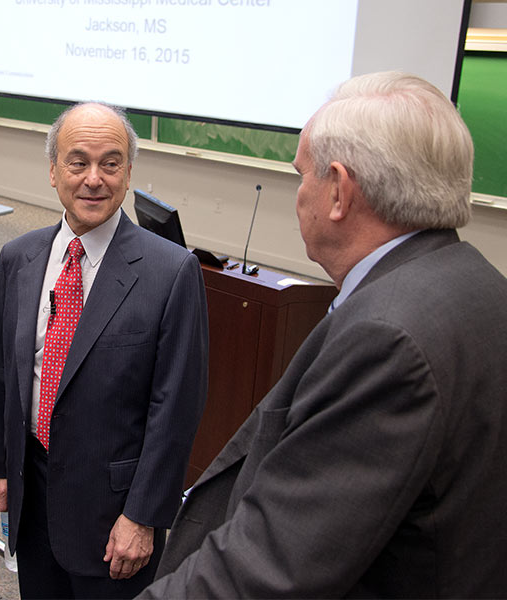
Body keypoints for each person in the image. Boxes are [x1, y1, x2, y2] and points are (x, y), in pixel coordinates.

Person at [135, 70, 507, 598]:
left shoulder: (386, 341)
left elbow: (269, 568)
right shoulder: (475, 282)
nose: (298, 195)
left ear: (338, 191)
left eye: (302, 175)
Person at [0, 102, 209, 599]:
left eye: (110, 163)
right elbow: (5, 375)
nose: (94, 179)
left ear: (128, 173)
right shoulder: (17, 258)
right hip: (32, 496)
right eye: (77, 161)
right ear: (52, 170)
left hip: (113, 518)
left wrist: (143, 516)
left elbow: (175, 409)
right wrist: (1, 464)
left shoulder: (170, 272)